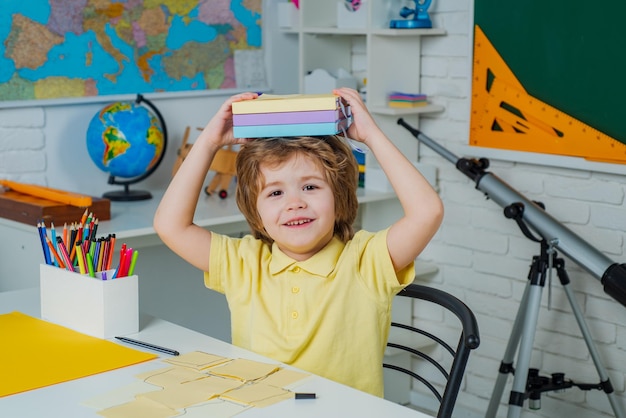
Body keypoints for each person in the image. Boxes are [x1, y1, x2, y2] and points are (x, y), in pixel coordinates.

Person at [153, 87, 444, 397]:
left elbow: (427, 212)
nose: (294, 203)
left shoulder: (365, 262)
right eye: (275, 193)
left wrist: (371, 136)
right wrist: (209, 142)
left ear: (339, 196)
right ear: (256, 210)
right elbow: (170, 225)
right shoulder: (244, 263)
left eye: (310, 186)